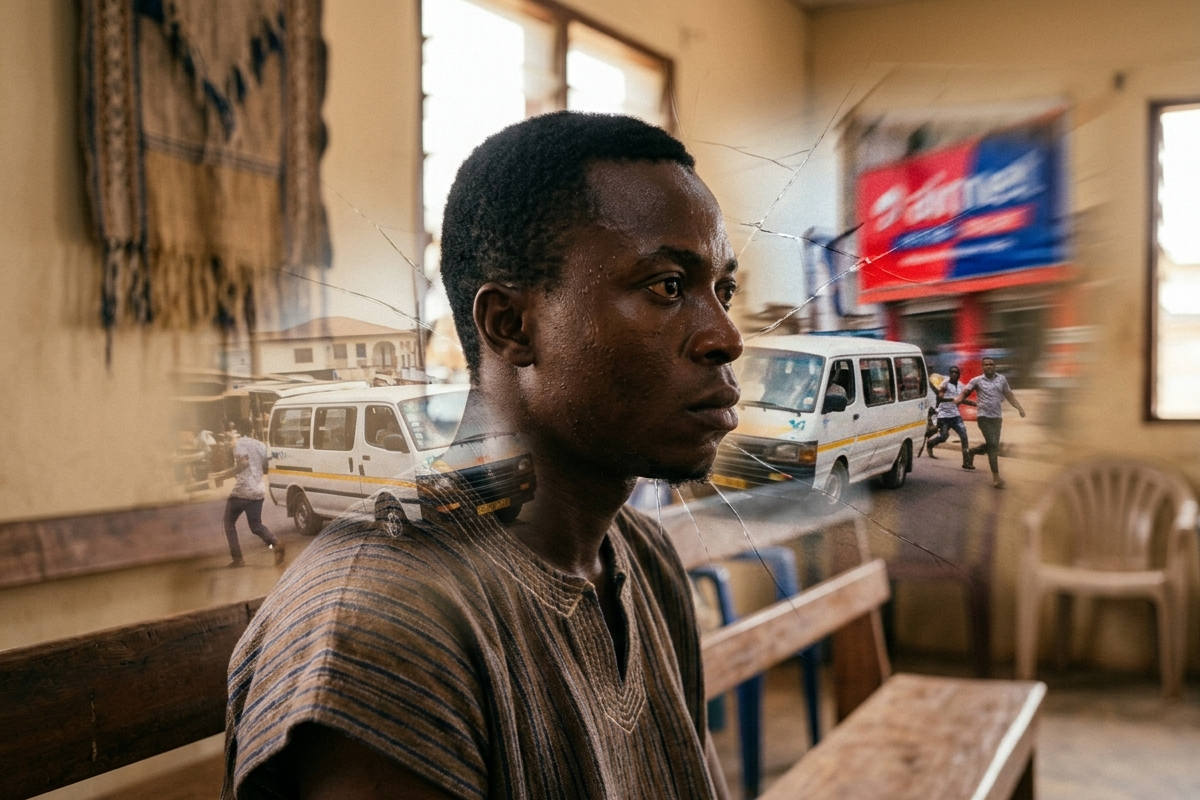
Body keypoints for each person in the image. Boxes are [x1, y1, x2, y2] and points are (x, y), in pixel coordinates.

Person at [222, 112, 739, 800]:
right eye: (668, 286)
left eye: (723, 290)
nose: (725, 336)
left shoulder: (644, 555)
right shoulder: (384, 628)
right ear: (511, 326)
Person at [955, 357, 1026, 489]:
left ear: (995, 366)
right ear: (982, 367)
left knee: (992, 444)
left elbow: (1009, 395)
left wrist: (1020, 408)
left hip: (997, 418)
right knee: (993, 446)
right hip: (983, 418)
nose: (989, 367)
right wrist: (959, 399)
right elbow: (965, 392)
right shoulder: (977, 380)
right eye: (986, 365)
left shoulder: (1002, 380)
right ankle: (996, 478)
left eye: (991, 364)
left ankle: (973, 452)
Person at [223, 419, 285, 568]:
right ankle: (275, 544)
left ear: (238, 429)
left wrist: (225, 474)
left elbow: (243, 464)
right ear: (251, 430)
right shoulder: (260, 445)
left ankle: (238, 559)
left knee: (228, 522)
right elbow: (266, 465)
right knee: (256, 525)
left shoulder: (240, 444)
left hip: (242, 491)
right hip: (258, 491)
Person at [923, 365, 974, 467]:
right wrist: (952, 399)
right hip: (944, 416)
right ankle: (930, 444)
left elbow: (962, 399)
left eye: (956, 372)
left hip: (955, 416)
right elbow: (940, 398)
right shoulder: (945, 384)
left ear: (959, 375)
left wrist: (976, 405)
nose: (954, 374)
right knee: (944, 436)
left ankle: (966, 462)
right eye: (952, 372)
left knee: (964, 436)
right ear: (950, 374)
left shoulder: (960, 386)